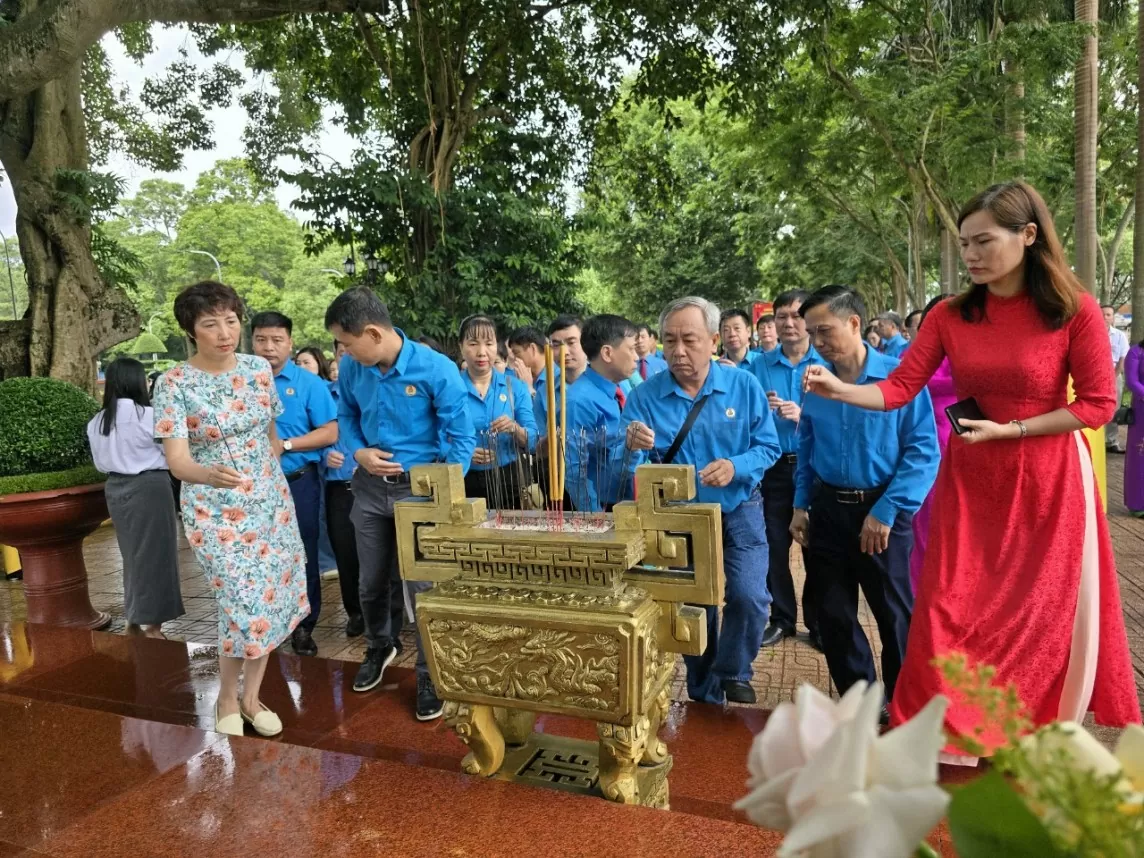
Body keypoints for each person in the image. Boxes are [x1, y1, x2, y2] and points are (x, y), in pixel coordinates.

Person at [803, 181, 1140, 754]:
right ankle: (943, 733)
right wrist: (840, 390)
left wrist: (1013, 430)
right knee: (949, 610)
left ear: (1028, 236)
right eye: (964, 244)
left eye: (984, 241)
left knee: (1036, 615)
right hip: (972, 481)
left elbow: (1098, 405)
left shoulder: (1072, 310)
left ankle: (1027, 736)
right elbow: (899, 388)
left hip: (1048, 479)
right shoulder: (953, 316)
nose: (972, 255)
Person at [154, 281, 309, 739]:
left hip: (268, 503)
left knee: (270, 601)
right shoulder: (173, 383)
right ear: (191, 330)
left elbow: (269, 431)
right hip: (214, 510)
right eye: (210, 323)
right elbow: (177, 461)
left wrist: (271, 466)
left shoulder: (259, 369)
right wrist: (208, 473)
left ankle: (250, 698)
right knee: (241, 603)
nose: (225, 332)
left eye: (231, 320)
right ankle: (226, 696)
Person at [326, 288, 476, 721]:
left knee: (424, 587)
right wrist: (357, 452)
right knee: (370, 579)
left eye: (347, 342)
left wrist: (441, 487)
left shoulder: (436, 369)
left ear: (372, 333)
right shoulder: (356, 369)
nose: (344, 352)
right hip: (371, 488)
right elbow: (348, 416)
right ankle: (379, 645)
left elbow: (461, 437)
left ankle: (431, 672)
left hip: (421, 489)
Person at [622, 296, 781, 705]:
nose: (677, 350)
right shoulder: (645, 397)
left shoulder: (743, 386)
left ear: (713, 340)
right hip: (680, 516)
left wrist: (736, 465)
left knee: (750, 595)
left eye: (689, 340)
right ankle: (703, 691)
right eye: (669, 340)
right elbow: (632, 466)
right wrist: (632, 446)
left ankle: (732, 671)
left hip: (739, 507)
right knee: (694, 607)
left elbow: (768, 446)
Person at [791, 286, 938, 715]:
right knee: (831, 613)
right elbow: (808, 447)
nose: (817, 342)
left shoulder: (899, 379)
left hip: (883, 511)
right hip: (829, 510)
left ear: (854, 323)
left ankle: (902, 703)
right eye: (812, 333)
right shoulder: (816, 381)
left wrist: (887, 511)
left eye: (824, 330)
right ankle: (862, 702)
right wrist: (801, 505)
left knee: (894, 616)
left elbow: (923, 452)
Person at [251, 311, 338, 657]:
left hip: (298, 482)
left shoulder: (308, 384)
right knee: (257, 555)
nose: (269, 347)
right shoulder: (238, 381)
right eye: (261, 339)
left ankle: (304, 625)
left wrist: (285, 445)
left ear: (289, 342)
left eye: (276, 340)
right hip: (252, 487)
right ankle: (266, 624)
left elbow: (330, 431)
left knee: (303, 554)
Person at [86, 357, 184, 639]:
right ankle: (151, 626)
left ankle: (135, 615)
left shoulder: (97, 421)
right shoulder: (148, 416)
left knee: (132, 554)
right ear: (138, 382)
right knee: (156, 555)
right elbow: (173, 454)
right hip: (149, 487)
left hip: (115, 488)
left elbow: (99, 462)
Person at [750, 290, 824, 650]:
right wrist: (759, 408)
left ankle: (818, 620)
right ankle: (782, 618)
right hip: (774, 467)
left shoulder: (827, 361)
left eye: (796, 316)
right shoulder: (759, 365)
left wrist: (803, 415)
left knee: (816, 546)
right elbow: (743, 413)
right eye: (782, 316)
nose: (789, 323)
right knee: (774, 545)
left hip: (815, 465)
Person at [457, 314, 537, 507]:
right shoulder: (450, 387)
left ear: (497, 347)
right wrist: (462, 452)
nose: (482, 352)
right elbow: (436, 436)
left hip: (508, 481)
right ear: (461, 347)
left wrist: (514, 429)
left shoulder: (515, 388)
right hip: (462, 480)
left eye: (489, 344)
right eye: (473, 343)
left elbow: (533, 439)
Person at [562, 314, 639, 511]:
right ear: (607, 353)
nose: (636, 356)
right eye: (631, 348)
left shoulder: (622, 386)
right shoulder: (580, 400)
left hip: (631, 497)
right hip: (605, 505)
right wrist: (595, 516)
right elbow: (574, 468)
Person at [908, 296, 957, 594]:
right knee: (925, 531)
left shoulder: (978, 356)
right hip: (925, 454)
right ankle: (924, 603)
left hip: (972, 449)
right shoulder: (912, 358)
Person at [325, 342, 365, 637]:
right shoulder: (324, 394)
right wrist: (323, 456)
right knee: (347, 554)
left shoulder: (377, 390)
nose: (349, 358)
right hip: (340, 486)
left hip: (376, 484)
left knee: (382, 555)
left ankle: (390, 616)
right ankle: (355, 613)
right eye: (343, 353)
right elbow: (305, 434)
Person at [1103, 305, 1130, 454]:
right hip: (1094, 375)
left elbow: (1122, 359)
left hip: (1114, 374)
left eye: (1108, 315)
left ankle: (1111, 441)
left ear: (1113, 317)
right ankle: (1096, 440)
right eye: (1103, 314)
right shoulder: (1091, 333)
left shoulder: (1120, 336)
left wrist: (1113, 377)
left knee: (1114, 408)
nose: (1105, 317)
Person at [1126, 339, 1144, 517]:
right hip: (1142, 411)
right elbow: (1132, 381)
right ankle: (1138, 503)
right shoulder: (1136, 352)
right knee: (1140, 455)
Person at [506, 326, 548, 394]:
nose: (514, 358)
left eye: (516, 353)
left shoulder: (558, 378)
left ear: (533, 349)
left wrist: (528, 388)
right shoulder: (516, 375)